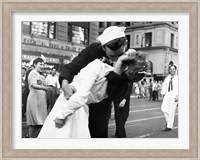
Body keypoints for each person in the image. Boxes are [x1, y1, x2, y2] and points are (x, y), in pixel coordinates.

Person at [38, 52, 149, 138]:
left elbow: (82, 97)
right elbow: (82, 96)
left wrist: (61, 115)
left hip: (75, 106)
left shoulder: (111, 76)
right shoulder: (103, 70)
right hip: (75, 105)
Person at [58, 26, 134, 138]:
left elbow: (120, 89)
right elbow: (71, 67)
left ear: (126, 44)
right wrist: (65, 84)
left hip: (102, 105)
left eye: (119, 55)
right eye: (112, 56)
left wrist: (120, 68)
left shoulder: (129, 59)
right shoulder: (93, 50)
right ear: (103, 48)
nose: (115, 59)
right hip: (79, 103)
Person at [26, 57, 51, 138]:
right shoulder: (33, 73)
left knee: (40, 123)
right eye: (40, 64)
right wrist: (45, 88)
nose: (42, 66)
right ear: (35, 65)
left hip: (41, 101)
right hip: (34, 100)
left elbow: (44, 86)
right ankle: (31, 139)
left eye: (43, 64)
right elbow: (33, 85)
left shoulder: (41, 76)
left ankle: (37, 139)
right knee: (34, 123)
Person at [161, 64, 178, 131]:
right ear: (169, 70)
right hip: (167, 94)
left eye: (173, 69)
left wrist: (178, 96)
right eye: (171, 69)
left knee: (171, 110)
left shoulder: (178, 78)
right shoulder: (167, 78)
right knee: (163, 109)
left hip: (174, 95)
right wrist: (162, 95)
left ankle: (169, 126)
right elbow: (164, 87)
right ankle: (169, 123)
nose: (172, 70)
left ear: (175, 70)